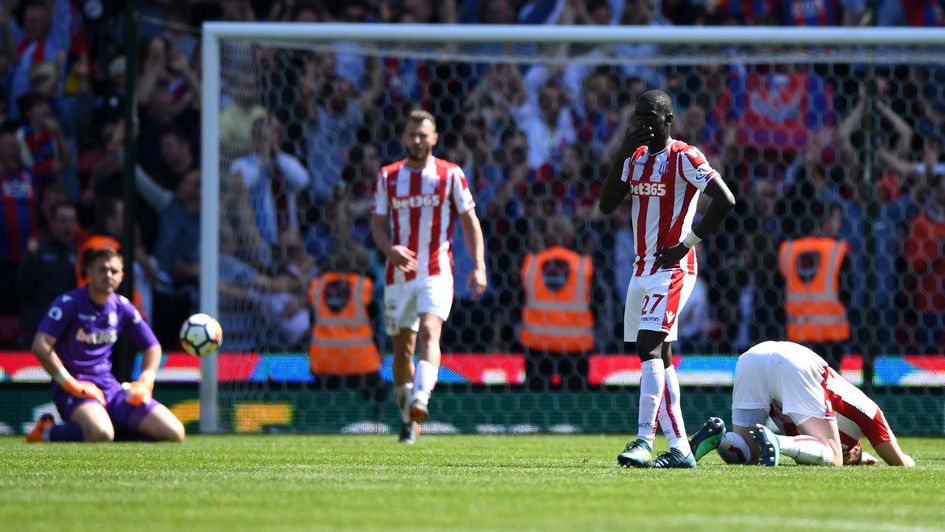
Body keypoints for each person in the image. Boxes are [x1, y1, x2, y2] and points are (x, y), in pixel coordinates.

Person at [598, 89, 735, 468]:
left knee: (648, 346)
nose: (644, 122)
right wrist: (622, 152)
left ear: (668, 120)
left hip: (673, 267)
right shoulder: (635, 158)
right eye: (639, 116)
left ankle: (644, 441)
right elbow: (606, 204)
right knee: (661, 357)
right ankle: (680, 448)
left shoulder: (685, 156)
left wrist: (686, 243)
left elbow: (725, 199)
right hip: (641, 268)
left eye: (651, 116)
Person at [371, 109, 487, 444]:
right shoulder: (388, 177)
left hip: (437, 271)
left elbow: (469, 221)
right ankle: (408, 416)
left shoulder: (450, 174)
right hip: (399, 275)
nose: (418, 140)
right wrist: (390, 249)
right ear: (404, 138)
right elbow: (377, 224)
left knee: (429, 331)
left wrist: (479, 264)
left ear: (434, 138)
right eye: (413, 134)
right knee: (402, 351)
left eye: (424, 135)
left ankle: (421, 398)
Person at [26, 248, 185, 443]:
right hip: (74, 390)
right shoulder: (69, 303)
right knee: (102, 434)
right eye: (102, 269)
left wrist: (145, 382)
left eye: (114, 271)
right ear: (89, 272)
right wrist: (70, 384)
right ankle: (47, 432)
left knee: (173, 432)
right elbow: (40, 345)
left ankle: (114, 426)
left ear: (122, 276)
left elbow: (152, 347)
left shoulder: (122, 307)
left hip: (111, 389)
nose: (108, 275)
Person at [687, 340, 915, 467]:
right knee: (833, 458)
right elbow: (900, 462)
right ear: (856, 445)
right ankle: (777, 441)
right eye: (853, 453)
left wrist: (860, 459)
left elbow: (816, 447)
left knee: (749, 453)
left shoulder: (815, 431)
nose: (850, 456)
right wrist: (908, 461)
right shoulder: (869, 413)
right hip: (795, 364)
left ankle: (720, 438)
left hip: (751, 357)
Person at [519, 215, 595, 391]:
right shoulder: (583, 265)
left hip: (538, 345)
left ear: (548, 237)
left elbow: (518, 298)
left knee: (537, 401)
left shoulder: (532, 263)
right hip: (575, 346)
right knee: (575, 402)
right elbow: (596, 302)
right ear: (570, 237)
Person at [778, 200, 851, 371]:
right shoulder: (838, 251)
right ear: (826, 221)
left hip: (797, 334)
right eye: (836, 220)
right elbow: (847, 293)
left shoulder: (789, 250)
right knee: (829, 384)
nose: (838, 225)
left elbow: (781, 289)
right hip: (830, 336)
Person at [16, 201, 78, 348]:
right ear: (52, 223)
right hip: (36, 330)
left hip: (66, 330)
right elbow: (22, 289)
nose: (68, 226)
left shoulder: (79, 253)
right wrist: (30, 259)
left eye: (71, 220)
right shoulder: (37, 251)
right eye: (63, 220)